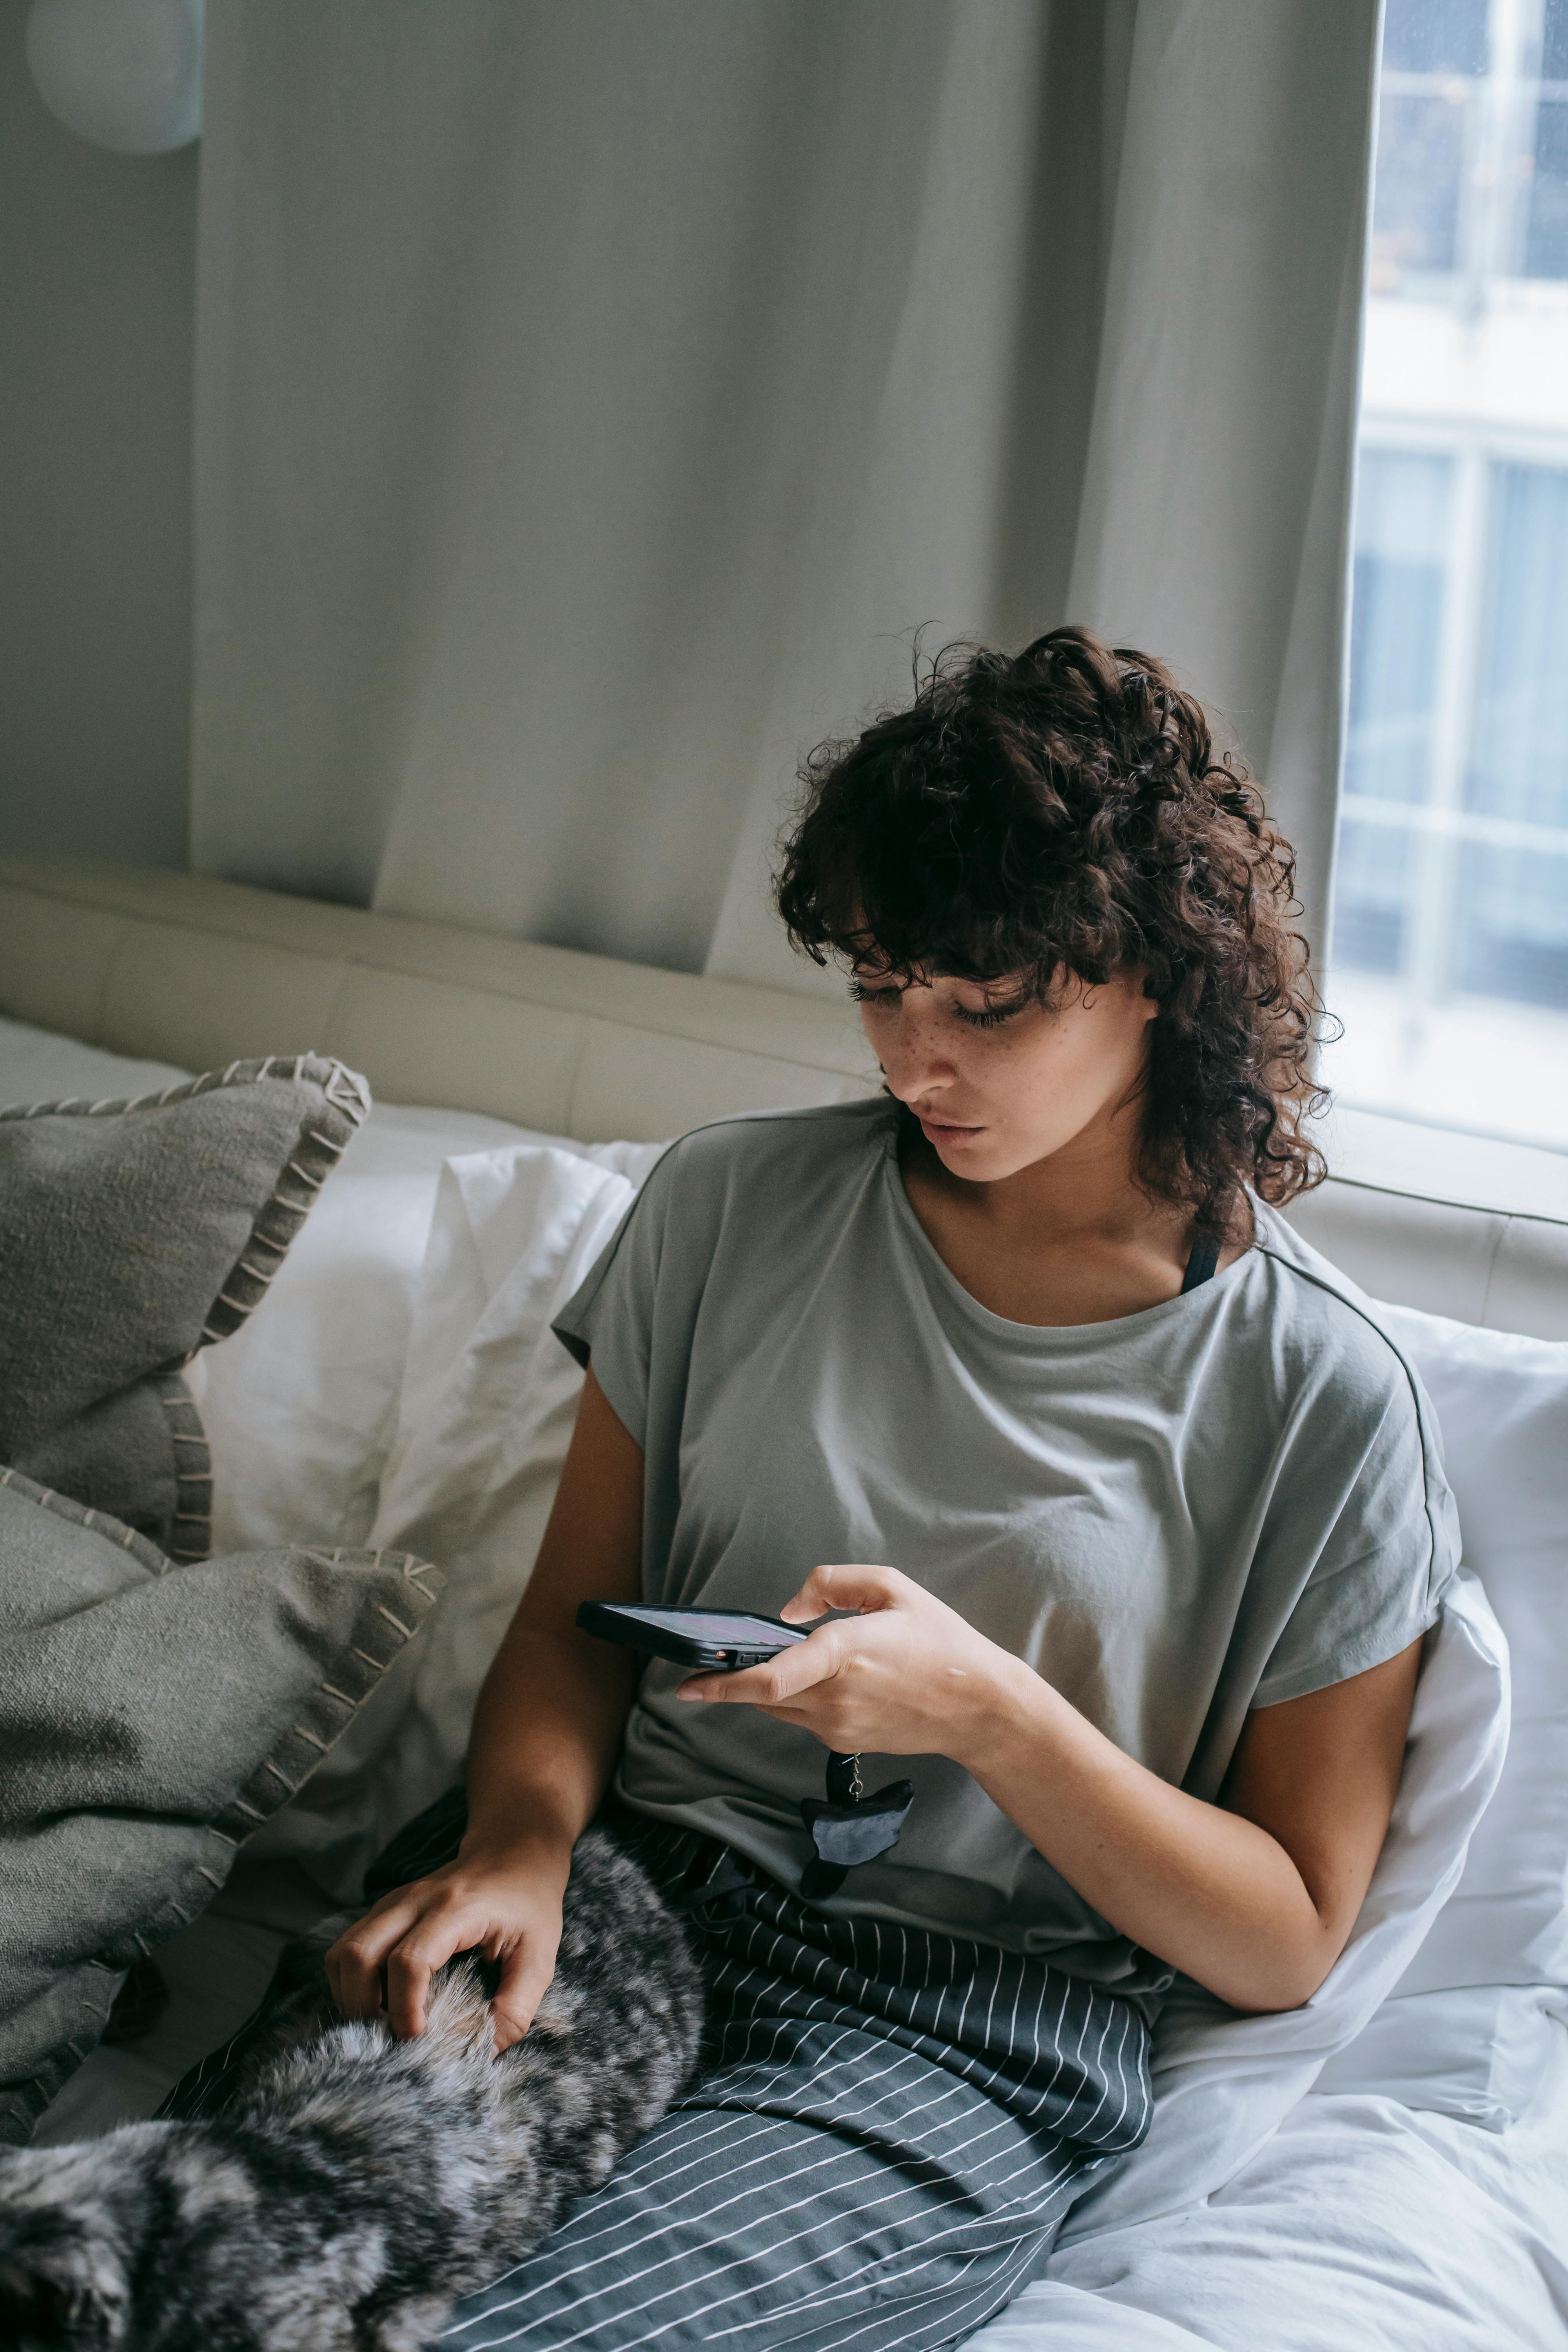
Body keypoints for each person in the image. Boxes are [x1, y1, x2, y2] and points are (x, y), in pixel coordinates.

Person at [325, 628, 1457, 2350]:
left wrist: (996, 1716)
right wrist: (519, 1846)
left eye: (985, 1004)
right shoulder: (723, 1211)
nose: (909, 1058)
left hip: (954, 2028)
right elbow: (572, 1626)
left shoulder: (1322, 1397)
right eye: (876, 985)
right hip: (610, 1886)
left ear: (1158, 971)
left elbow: (1288, 1933)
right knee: (196, 2259)